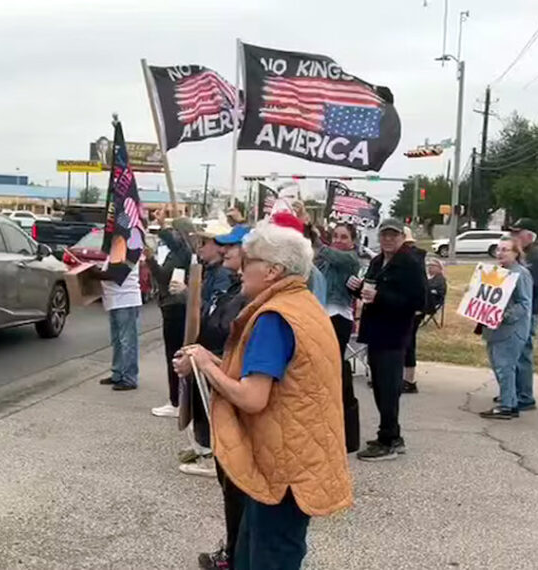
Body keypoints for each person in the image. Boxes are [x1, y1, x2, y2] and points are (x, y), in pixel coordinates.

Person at [175, 221, 352, 569]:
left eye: (248, 260)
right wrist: (208, 357)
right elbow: (278, 379)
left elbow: (253, 397)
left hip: (282, 468)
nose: (241, 266)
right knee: (255, 553)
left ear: (273, 271)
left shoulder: (274, 317)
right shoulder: (304, 306)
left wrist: (207, 369)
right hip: (295, 459)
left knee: (266, 558)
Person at [193, 225, 250, 569]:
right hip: (220, 390)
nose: (225, 250)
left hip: (234, 395)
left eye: (233, 246)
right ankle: (234, 547)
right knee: (227, 480)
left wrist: (205, 359)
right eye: (223, 244)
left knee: (236, 481)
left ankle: (236, 554)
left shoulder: (251, 297)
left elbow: (229, 342)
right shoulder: (231, 284)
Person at [348, 219, 427, 461]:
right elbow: (370, 291)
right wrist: (357, 288)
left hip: (394, 333)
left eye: (393, 235)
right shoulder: (377, 261)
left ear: (402, 237)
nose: (388, 240)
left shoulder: (410, 263)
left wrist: (380, 296)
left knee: (389, 387)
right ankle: (388, 434)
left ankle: (390, 439)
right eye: (384, 235)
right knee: (380, 386)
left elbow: (419, 302)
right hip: (375, 331)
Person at [172, 222, 239, 475]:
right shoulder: (213, 272)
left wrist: (190, 294)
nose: (200, 248)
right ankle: (203, 446)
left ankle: (211, 452)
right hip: (207, 345)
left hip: (217, 349)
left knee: (210, 401)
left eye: (205, 242)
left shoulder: (223, 276)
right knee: (200, 401)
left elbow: (215, 313)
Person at [315, 222, 362, 453]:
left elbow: (329, 253)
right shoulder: (325, 261)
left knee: (336, 374)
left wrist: (316, 238)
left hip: (338, 317)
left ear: (352, 241)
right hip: (321, 315)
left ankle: (346, 434)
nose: (338, 240)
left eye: (344, 237)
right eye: (335, 236)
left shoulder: (351, 259)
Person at [145, 213, 194, 417]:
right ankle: (178, 399)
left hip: (176, 307)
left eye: (175, 230)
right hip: (173, 306)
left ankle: (175, 401)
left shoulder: (183, 252)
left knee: (173, 355)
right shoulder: (183, 252)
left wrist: (150, 261)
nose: (172, 235)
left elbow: (164, 277)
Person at [481, 237, 534, 419]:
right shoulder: (498, 272)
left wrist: (504, 315)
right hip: (493, 329)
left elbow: (524, 303)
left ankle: (506, 406)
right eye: (498, 249)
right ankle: (509, 401)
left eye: (505, 250)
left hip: (511, 330)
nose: (500, 253)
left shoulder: (520, 273)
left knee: (505, 367)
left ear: (516, 253)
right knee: (499, 367)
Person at [91, 258, 142, 391]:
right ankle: (118, 373)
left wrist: (95, 273)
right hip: (114, 300)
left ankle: (129, 378)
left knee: (127, 341)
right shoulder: (116, 248)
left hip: (126, 300)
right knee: (117, 340)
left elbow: (116, 274)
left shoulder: (130, 247)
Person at [507, 218, 538, 412]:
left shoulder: (534, 256)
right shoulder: (525, 255)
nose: (513, 237)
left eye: (517, 233)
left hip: (529, 311)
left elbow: (528, 285)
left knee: (522, 352)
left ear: (529, 235)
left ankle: (524, 396)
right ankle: (513, 391)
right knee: (514, 351)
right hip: (522, 309)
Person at [401, 226, 428, 394]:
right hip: (409, 305)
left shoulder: (412, 258)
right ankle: (405, 378)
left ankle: (409, 380)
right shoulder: (413, 256)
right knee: (406, 341)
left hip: (414, 306)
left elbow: (418, 285)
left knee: (408, 342)